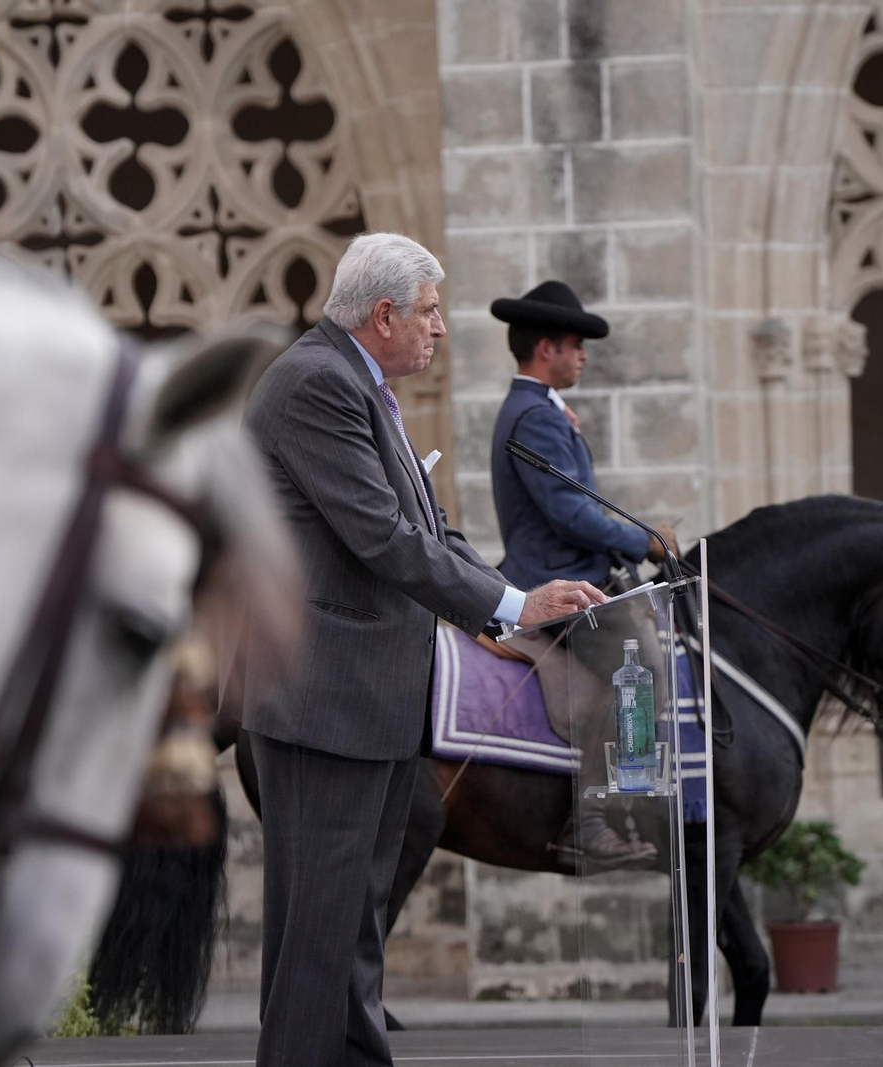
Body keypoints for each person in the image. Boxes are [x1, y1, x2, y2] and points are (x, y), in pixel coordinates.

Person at [237, 233, 605, 1067]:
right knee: (318, 944)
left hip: (362, 701)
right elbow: (384, 539)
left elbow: (432, 530)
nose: (439, 328)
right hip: (324, 703)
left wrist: (511, 605)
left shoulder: (358, 383)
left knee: (351, 937)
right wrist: (512, 604)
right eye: (430, 312)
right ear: (383, 314)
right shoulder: (317, 384)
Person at [487, 280, 679, 870]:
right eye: (575, 345)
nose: (583, 356)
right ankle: (592, 819)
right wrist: (644, 541)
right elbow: (570, 514)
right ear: (547, 348)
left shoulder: (540, 410)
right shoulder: (535, 417)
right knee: (644, 669)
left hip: (572, 568)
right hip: (560, 579)